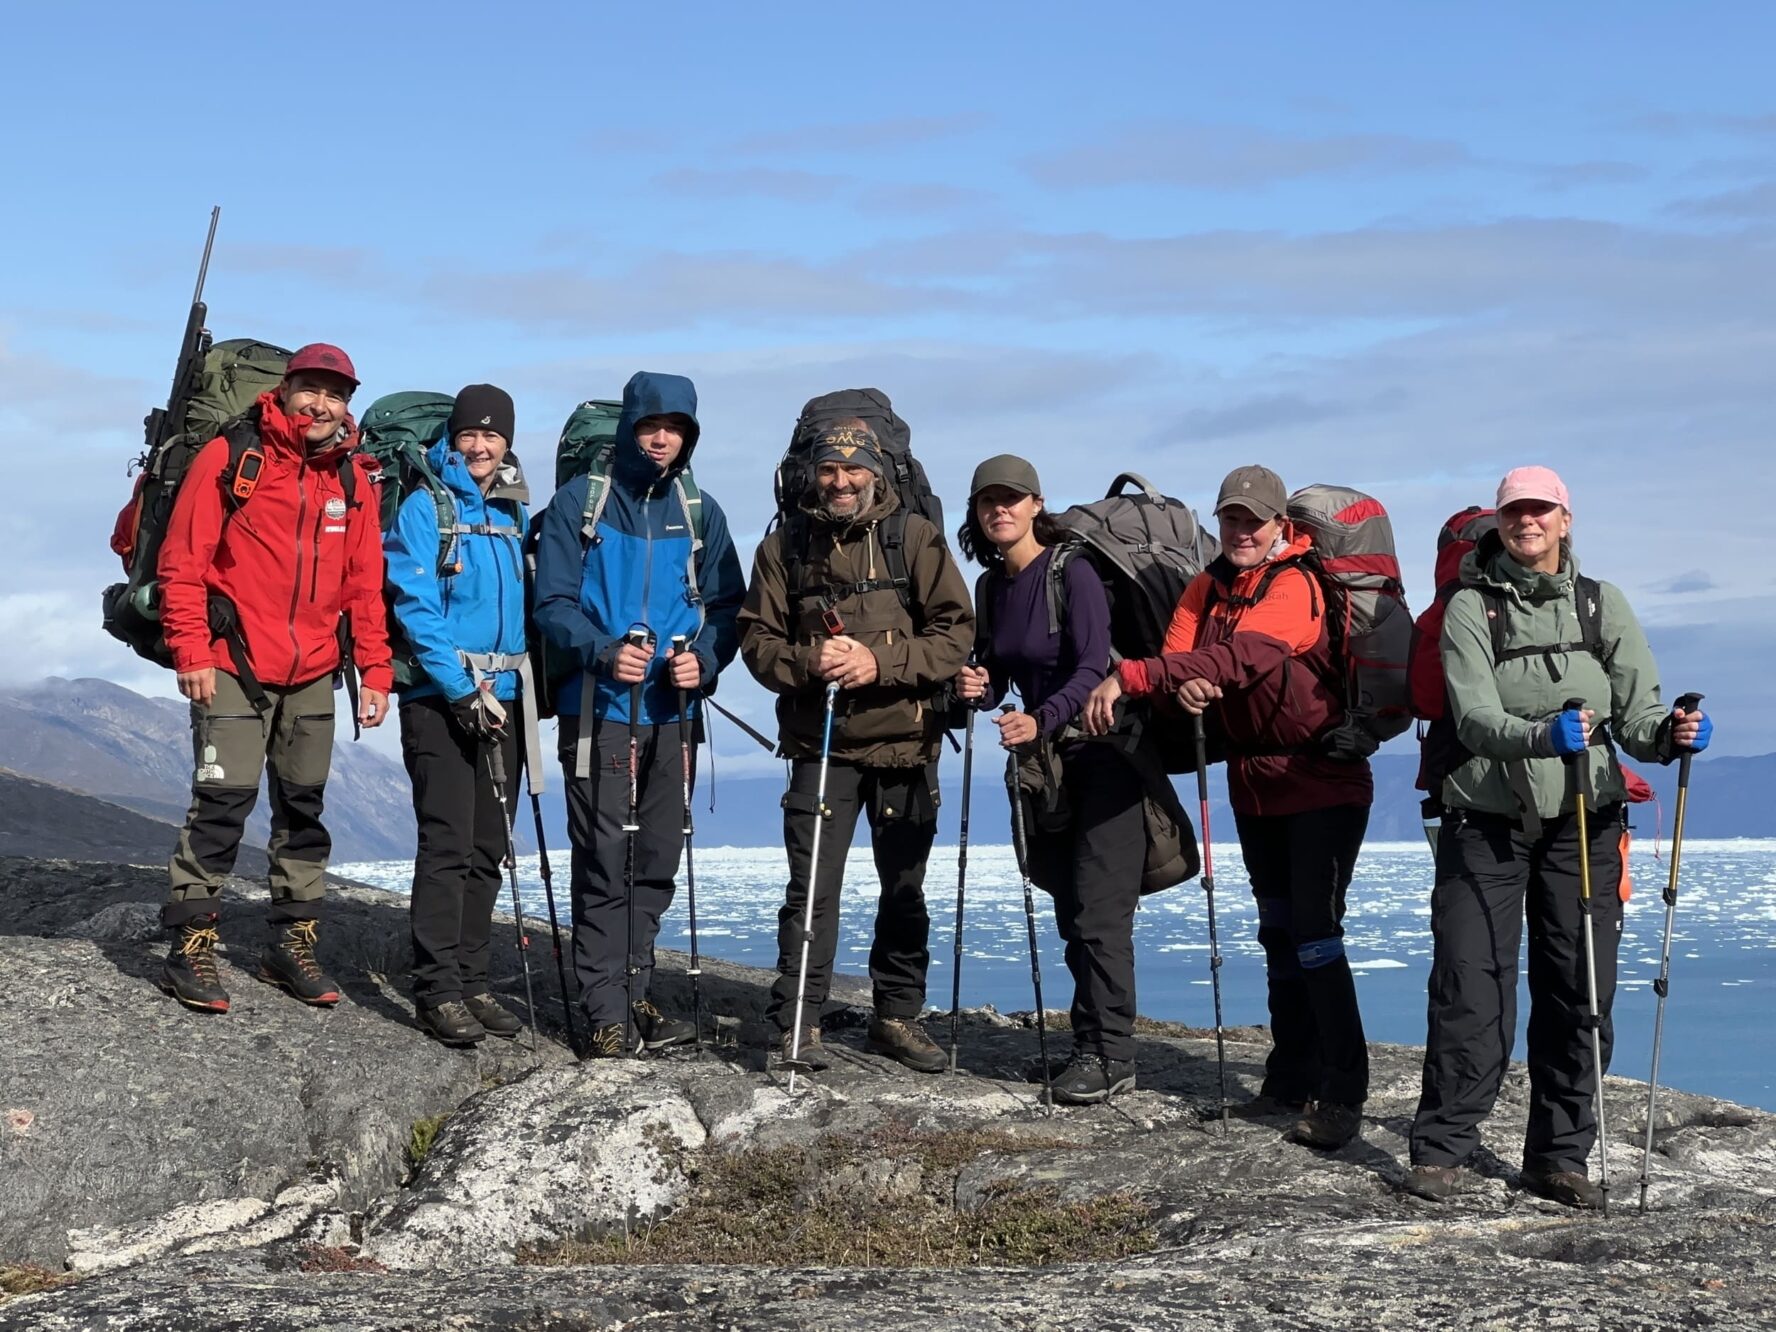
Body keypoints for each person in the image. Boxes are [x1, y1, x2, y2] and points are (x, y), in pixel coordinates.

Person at [1403, 466, 1711, 1209]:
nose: (1527, 521)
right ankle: (1442, 1149)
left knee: (1581, 991)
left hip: (1586, 822)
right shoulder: (1471, 608)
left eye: (1540, 510)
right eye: (1515, 511)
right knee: (1469, 987)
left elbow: (1637, 717)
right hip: (1485, 822)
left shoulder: (1604, 606)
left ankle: (1558, 1156)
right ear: (1498, 523)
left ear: (1566, 520)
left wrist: (1671, 735)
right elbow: (1473, 718)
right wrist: (1542, 734)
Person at [1085, 464, 1372, 1148]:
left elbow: (1245, 657)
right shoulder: (1205, 586)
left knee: (1315, 934)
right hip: (1255, 782)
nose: (1241, 532)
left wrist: (1134, 676)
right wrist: (1177, 689)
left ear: (1282, 527)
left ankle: (1342, 1093)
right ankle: (1287, 1080)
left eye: (1254, 521)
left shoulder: (1297, 586)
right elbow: (1185, 659)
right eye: (1231, 519)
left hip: (1321, 780)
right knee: (1278, 931)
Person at [157, 343, 392, 1013]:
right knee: (221, 806)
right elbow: (183, 560)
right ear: (286, 389)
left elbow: (364, 586)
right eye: (311, 389)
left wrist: (374, 668)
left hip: (316, 668)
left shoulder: (353, 479)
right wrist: (191, 650)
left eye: (336, 393)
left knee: (304, 811)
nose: (322, 404)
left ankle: (291, 945)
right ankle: (191, 947)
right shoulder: (234, 457)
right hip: (233, 659)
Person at [739, 418, 973, 1073]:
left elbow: (956, 634)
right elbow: (757, 643)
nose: (840, 482)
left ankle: (895, 1018)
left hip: (905, 745)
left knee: (903, 889)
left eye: (853, 469)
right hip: (822, 748)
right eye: (828, 470)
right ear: (810, 473)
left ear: (876, 470)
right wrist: (814, 661)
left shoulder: (915, 540)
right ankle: (797, 1027)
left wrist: (880, 662)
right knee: (810, 891)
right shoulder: (784, 548)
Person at [532, 371, 745, 1057]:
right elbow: (553, 603)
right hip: (599, 708)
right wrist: (601, 652)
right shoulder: (581, 504)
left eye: (675, 427)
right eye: (652, 425)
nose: (661, 438)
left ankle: (631, 988)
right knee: (604, 855)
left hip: (672, 711)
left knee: (655, 855)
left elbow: (728, 608)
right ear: (629, 426)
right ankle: (605, 1012)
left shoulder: (699, 510)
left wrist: (705, 662)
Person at [953, 455, 1141, 1102]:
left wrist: (1040, 718)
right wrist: (977, 689)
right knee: (1068, 905)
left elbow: (1092, 667)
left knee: (1098, 915)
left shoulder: (1073, 573)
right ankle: (1088, 1045)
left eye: (1013, 498)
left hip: (1105, 757)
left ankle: (1111, 1054)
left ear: (1037, 504)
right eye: (988, 502)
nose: (1000, 510)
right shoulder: (991, 588)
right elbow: (1001, 674)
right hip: (1046, 766)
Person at [384, 384, 532, 1046]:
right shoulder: (425, 507)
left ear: (507, 442)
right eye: (469, 434)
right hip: (440, 700)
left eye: (492, 436)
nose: (479, 446)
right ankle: (438, 989)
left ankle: (474, 982)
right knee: (447, 843)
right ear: (452, 436)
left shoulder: (511, 514)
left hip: (505, 697)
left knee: (488, 848)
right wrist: (460, 689)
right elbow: (414, 605)